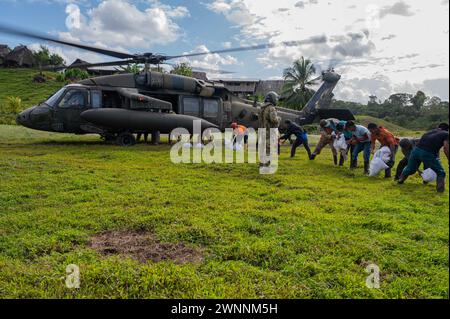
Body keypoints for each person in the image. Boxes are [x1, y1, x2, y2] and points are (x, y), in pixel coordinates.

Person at [398, 123, 449, 193]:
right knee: (441, 172)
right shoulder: (446, 134)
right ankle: (440, 191)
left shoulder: (430, 131)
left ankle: (400, 180)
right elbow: (446, 148)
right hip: (427, 153)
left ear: (438, 128)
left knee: (410, 169)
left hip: (415, 151)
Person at [259, 92, 280, 167]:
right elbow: (274, 120)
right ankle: (266, 164)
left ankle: (261, 163)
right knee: (269, 147)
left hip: (262, 130)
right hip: (269, 130)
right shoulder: (271, 108)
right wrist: (279, 119)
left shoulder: (262, 107)